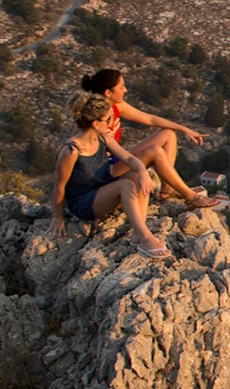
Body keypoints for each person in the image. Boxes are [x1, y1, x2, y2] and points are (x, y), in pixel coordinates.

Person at [49, 92, 171, 258]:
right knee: (126, 185)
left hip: (102, 188)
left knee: (135, 176)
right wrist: (58, 217)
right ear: (95, 123)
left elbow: (128, 158)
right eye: (107, 120)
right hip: (83, 202)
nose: (111, 123)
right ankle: (145, 237)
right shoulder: (71, 151)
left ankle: (138, 233)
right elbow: (59, 186)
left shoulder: (103, 138)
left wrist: (142, 171)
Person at [77, 68, 218, 209]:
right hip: (104, 172)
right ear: (108, 93)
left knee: (168, 134)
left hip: (116, 160)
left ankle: (167, 191)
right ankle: (191, 196)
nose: (125, 90)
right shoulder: (94, 118)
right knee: (154, 151)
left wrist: (184, 129)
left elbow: (149, 119)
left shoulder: (115, 106)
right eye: (121, 87)